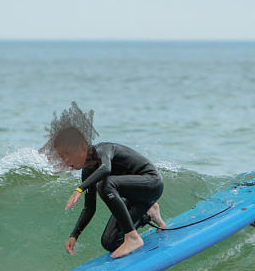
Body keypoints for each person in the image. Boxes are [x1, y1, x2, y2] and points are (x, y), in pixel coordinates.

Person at [39, 102, 166, 259]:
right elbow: (89, 207)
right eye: (61, 156)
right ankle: (149, 214)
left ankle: (133, 237)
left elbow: (106, 169)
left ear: (81, 146)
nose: (65, 160)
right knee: (110, 242)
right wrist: (74, 235)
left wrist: (79, 189)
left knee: (105, 184)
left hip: (151, 183)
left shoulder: (103, 150)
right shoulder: (88, 171)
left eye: (67, 154)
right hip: (136, 198)